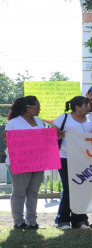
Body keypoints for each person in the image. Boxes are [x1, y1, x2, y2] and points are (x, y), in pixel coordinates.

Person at [53, 96, 92, 229]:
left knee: (82, 188)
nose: (88, 107)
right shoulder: (64, 118)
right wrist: (63, 134)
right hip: (65, 157)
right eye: (86, 105)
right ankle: (63, 220)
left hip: (85, 159)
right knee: (69, 189)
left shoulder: (91, 119)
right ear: (77, 107)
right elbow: (52, 134)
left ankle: (80, 220)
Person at [3, 96, 47, 229]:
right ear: (28, 108)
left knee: (33, 192)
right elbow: (8, 141)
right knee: (19, 192)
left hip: (38, 161)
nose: (39, 109)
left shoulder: (39, 121)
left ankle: (32, 220)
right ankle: (18, 221)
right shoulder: (14, 123)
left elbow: (44, 139)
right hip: (20, 162)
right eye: (37, 106)